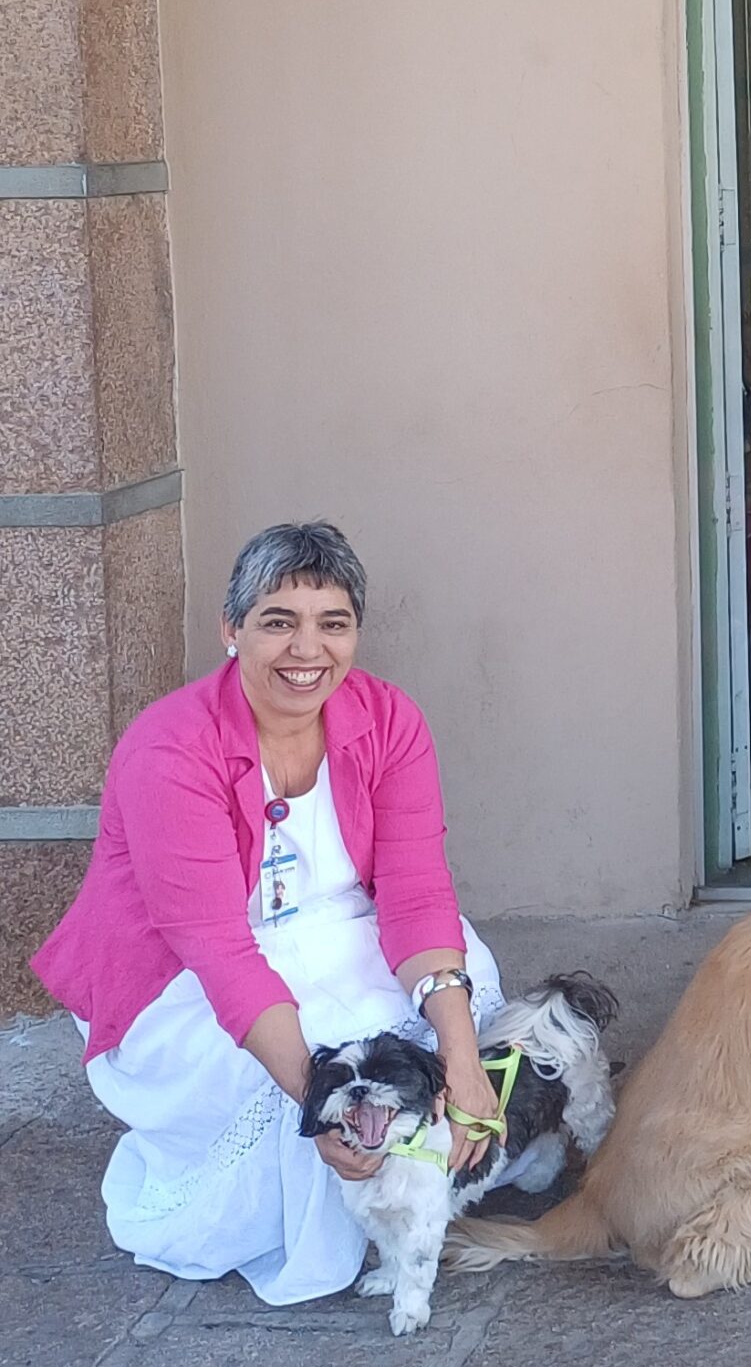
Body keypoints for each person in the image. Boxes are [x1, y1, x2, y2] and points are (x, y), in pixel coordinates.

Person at [30, 522, 513, 1304]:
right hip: (179, 974)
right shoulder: (170, 748)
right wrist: (322, 1105)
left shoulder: (389, 719)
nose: (307, 649)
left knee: (465, 981)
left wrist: (461, 1059)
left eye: (333, 623)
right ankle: (299, 1207)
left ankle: (413, 1180)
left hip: (332, 930)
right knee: (327, 1053)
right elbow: (218, 947)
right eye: (278, 621)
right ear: (232, 629)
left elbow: (419, 895)